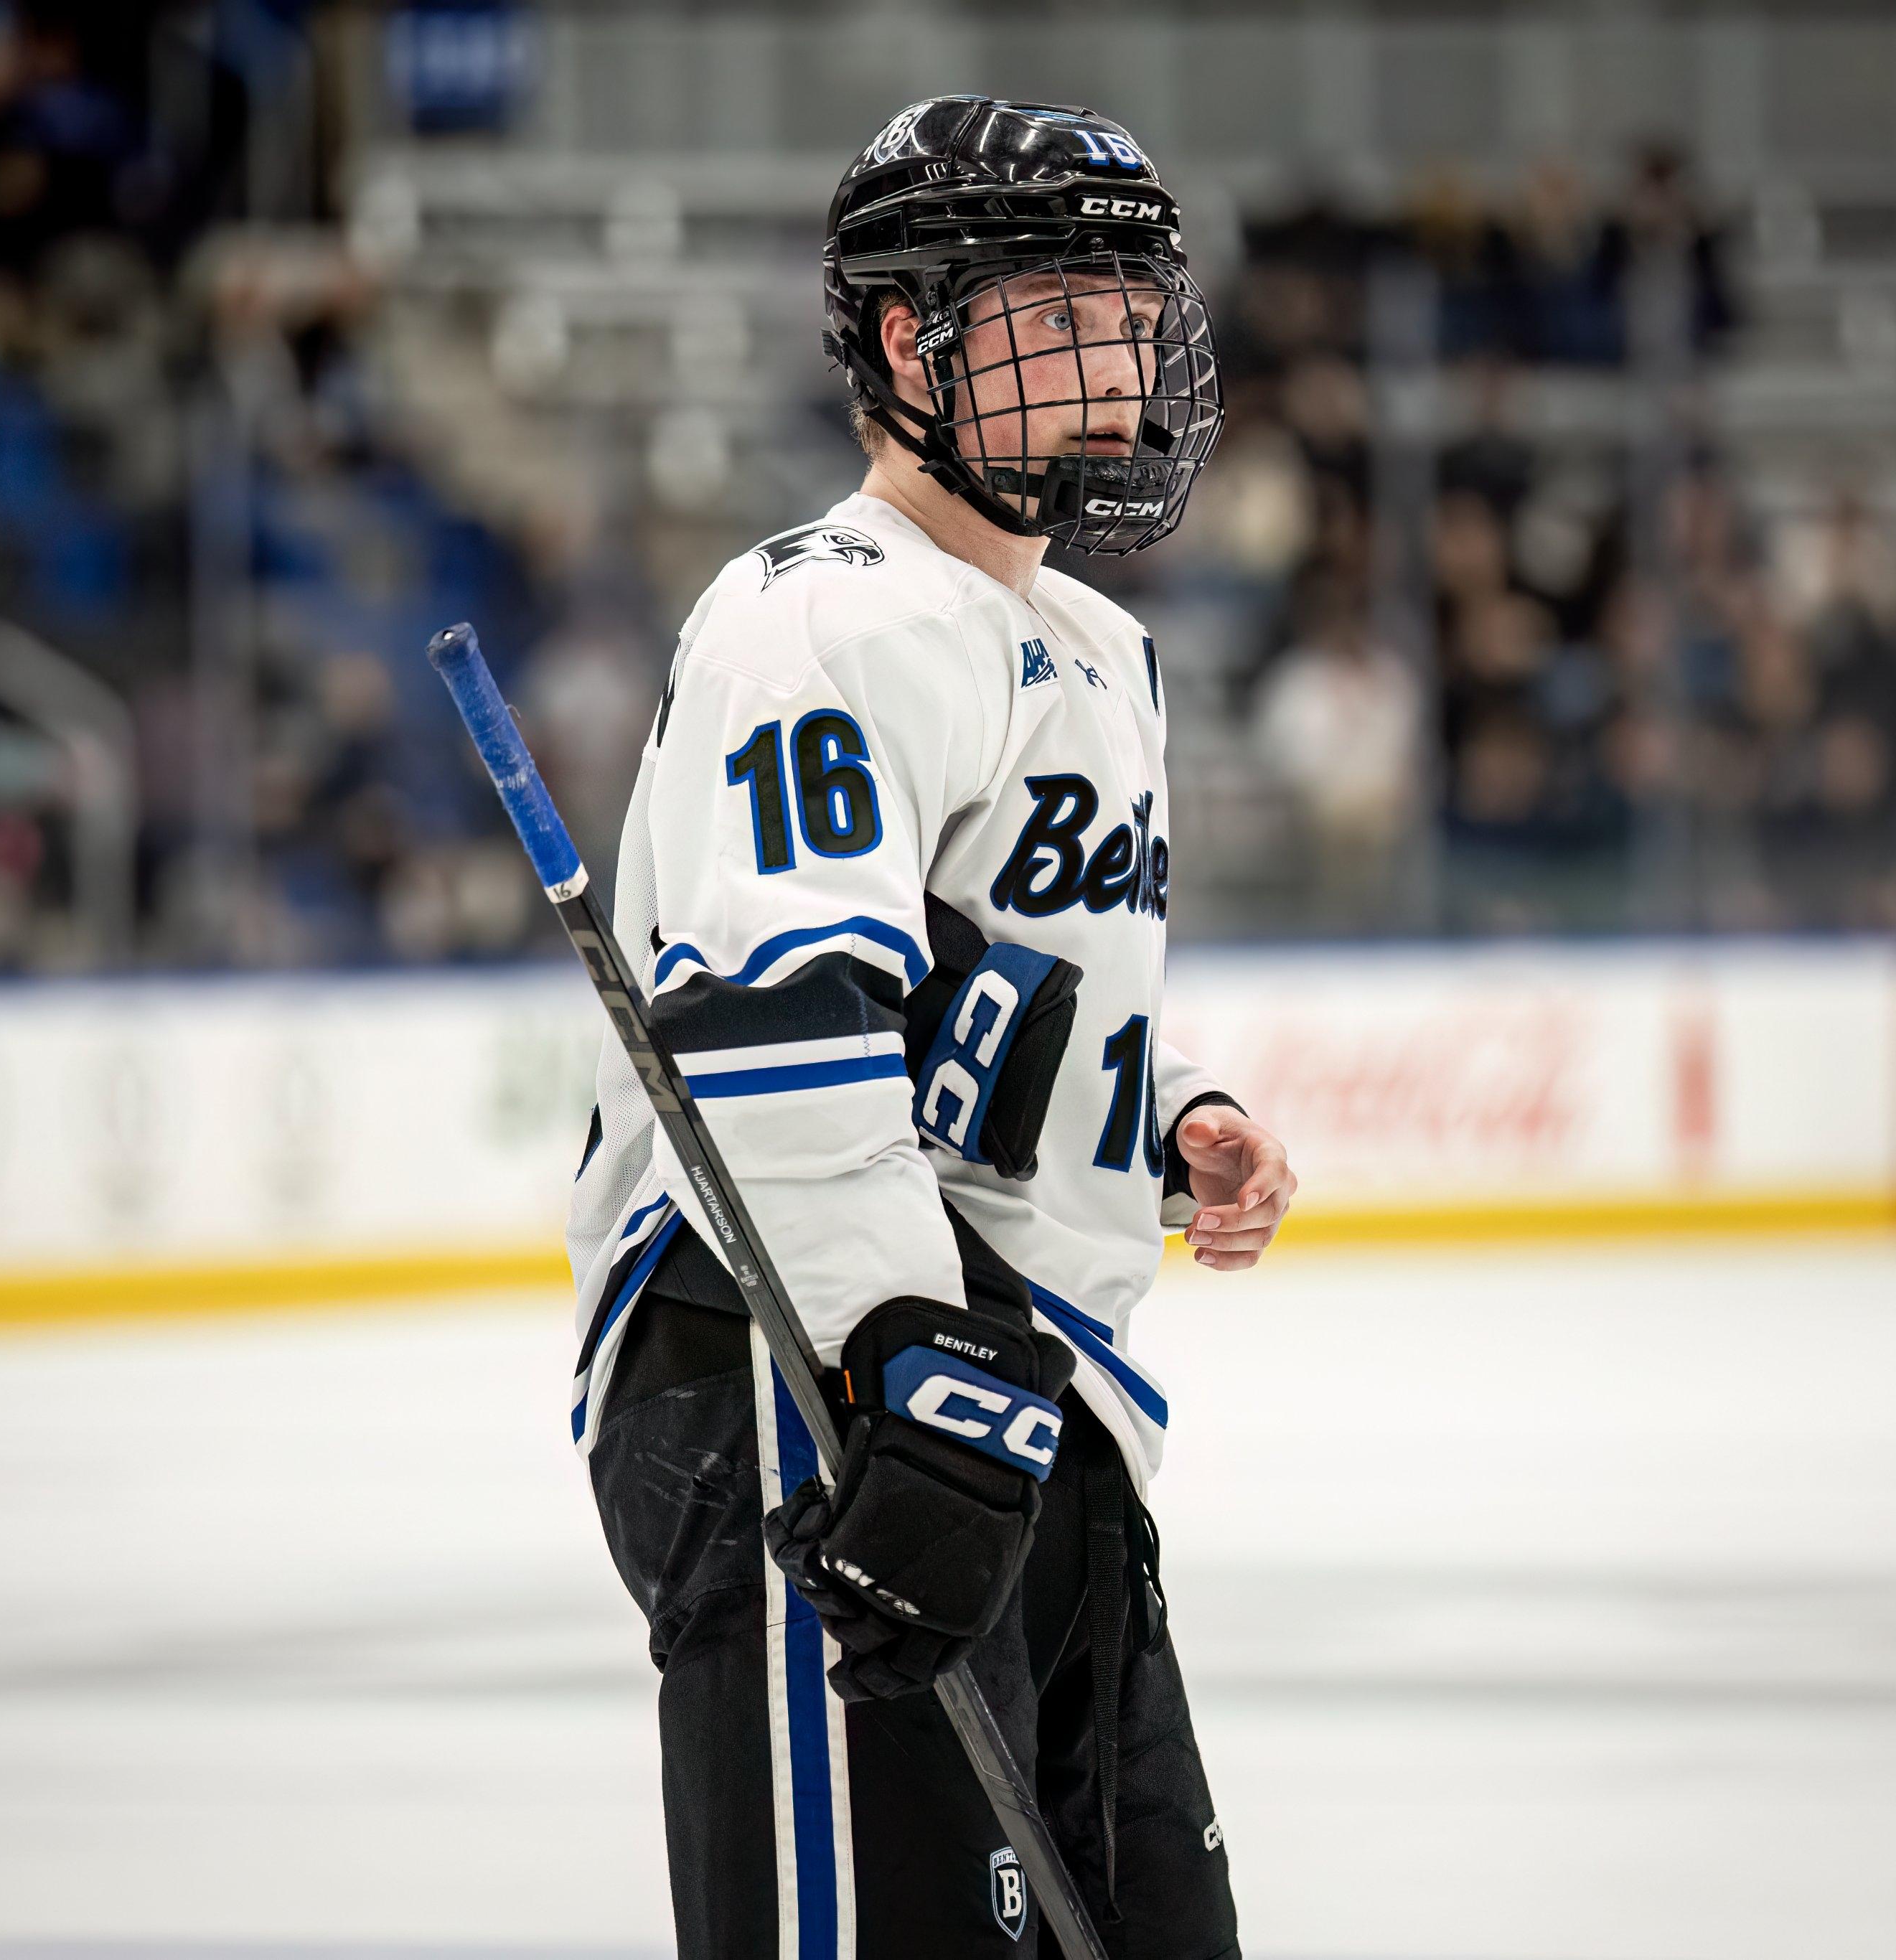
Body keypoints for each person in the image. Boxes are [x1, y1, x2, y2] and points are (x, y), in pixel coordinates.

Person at [565, 97, 1295, 1960]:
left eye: (1133, 310)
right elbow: (782, 1020)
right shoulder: (822, 625)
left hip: (1032, 1408)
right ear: (914, 342)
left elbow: (1037, 980)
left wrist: (1177, 1104)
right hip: (820, 1385)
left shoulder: (1099, 653)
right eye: (1066, 311)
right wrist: (907, 1356)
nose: (1123, 357)